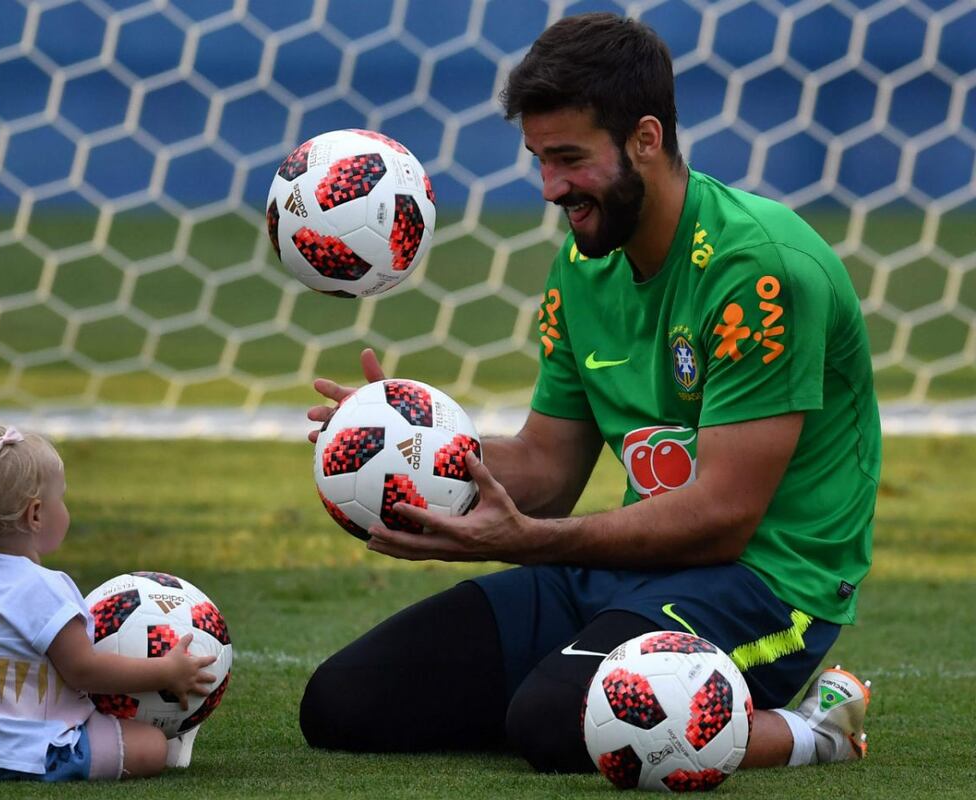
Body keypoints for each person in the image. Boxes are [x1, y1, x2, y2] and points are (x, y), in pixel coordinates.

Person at [298, 12, 878, 774]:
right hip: (629, 568)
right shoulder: (584, 263)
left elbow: (723, 520)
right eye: (539, 159)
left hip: (767, 587)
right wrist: (407, 445)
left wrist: (532, 543)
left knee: (551, 723)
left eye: (569, 158)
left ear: (645, 137)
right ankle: (606, 684)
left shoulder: (757, 272)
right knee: (344, 704)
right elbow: (549, 463)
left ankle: (817, 732)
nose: (550, 187)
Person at [0, 424, 217, 781]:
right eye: (60, 499)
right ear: (35, 515)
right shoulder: (45, 589)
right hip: (30, 752)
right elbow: (85, 672)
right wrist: (166, 673)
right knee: (153, 746)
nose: (65, 509)